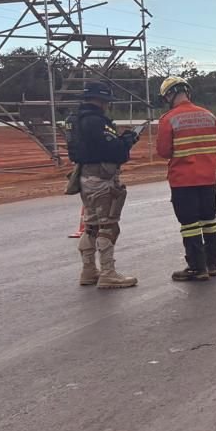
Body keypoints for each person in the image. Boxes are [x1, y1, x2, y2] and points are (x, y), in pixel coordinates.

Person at [68, 81, 140, 289]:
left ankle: (89, 270)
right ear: (101, 100)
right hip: (102, 178)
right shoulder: (96, 121)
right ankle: (108, 272)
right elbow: (114, 150)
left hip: (84, 177)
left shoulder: (74, 120)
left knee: (90, 225)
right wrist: (127, 140)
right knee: (108, 225)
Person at [156, 77, 216, 281]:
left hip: (183, 180)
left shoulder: (169, 119)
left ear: (169, 95)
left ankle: (197, 267)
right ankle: (214, 264)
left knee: (189, 224)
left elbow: (163, 151)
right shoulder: (210, 116)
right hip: (208, 179)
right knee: (210, 221)